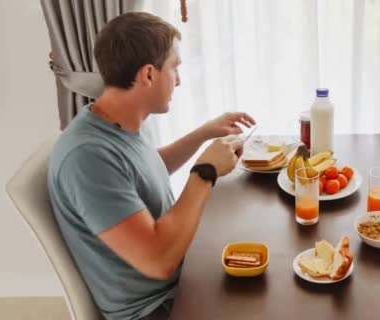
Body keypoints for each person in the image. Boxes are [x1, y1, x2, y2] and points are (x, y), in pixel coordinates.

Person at [47, 12, 255, 320]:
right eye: (175, 67)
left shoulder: (111, 121)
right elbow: (159, 260)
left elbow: (143, 170)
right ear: (148, 75)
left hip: (179, 282)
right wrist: (205, 172)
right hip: (158, 307)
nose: (180, 80)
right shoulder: (87, 157)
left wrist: (204, 132)